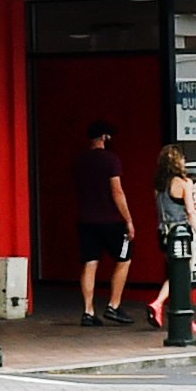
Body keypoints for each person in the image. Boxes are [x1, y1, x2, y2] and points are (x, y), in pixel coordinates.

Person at [73, 120, 138, 326]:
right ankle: (114, 305)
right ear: (104, 137)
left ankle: (88, 311)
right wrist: (128, 220)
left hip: (86, 220)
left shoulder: (80, 160)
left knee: (90, 263)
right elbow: (117, 191)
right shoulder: (111, 160)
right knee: (124, 258)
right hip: (111, 221)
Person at [146, 145, 196, 336]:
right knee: (182, 276)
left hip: (163, 233)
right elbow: (190, 212)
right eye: (182, 158)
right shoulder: (184, 183)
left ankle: (165, 308)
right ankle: (162, 305)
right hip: (181, 233)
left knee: (175, 274)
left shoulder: (159, 186)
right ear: (178, 162)